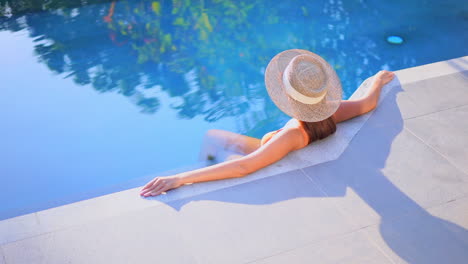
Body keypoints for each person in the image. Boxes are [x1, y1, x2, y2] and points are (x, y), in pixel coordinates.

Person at [140, 49, 395, 197]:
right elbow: (367, 104)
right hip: (275, 147)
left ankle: (198, 172)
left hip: (272, 154)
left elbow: (243, 168)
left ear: (287, 96)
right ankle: (202, 169)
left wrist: (180, 179)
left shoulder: (294, 133)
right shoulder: (332, 110)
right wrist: (378, 80)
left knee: (214, 144)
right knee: (215, 136)